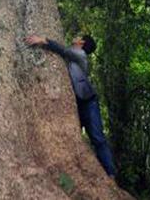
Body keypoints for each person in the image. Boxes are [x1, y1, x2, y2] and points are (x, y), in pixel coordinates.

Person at [25, 33, 116, 177]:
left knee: (98, 138)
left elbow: (64, 50)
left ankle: (110, 173)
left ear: (81, 43)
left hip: (88, 102)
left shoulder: (80, 55)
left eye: (78, 36)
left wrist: (44, 40)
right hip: (76, 105)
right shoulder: (74, 56)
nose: (75, 36)